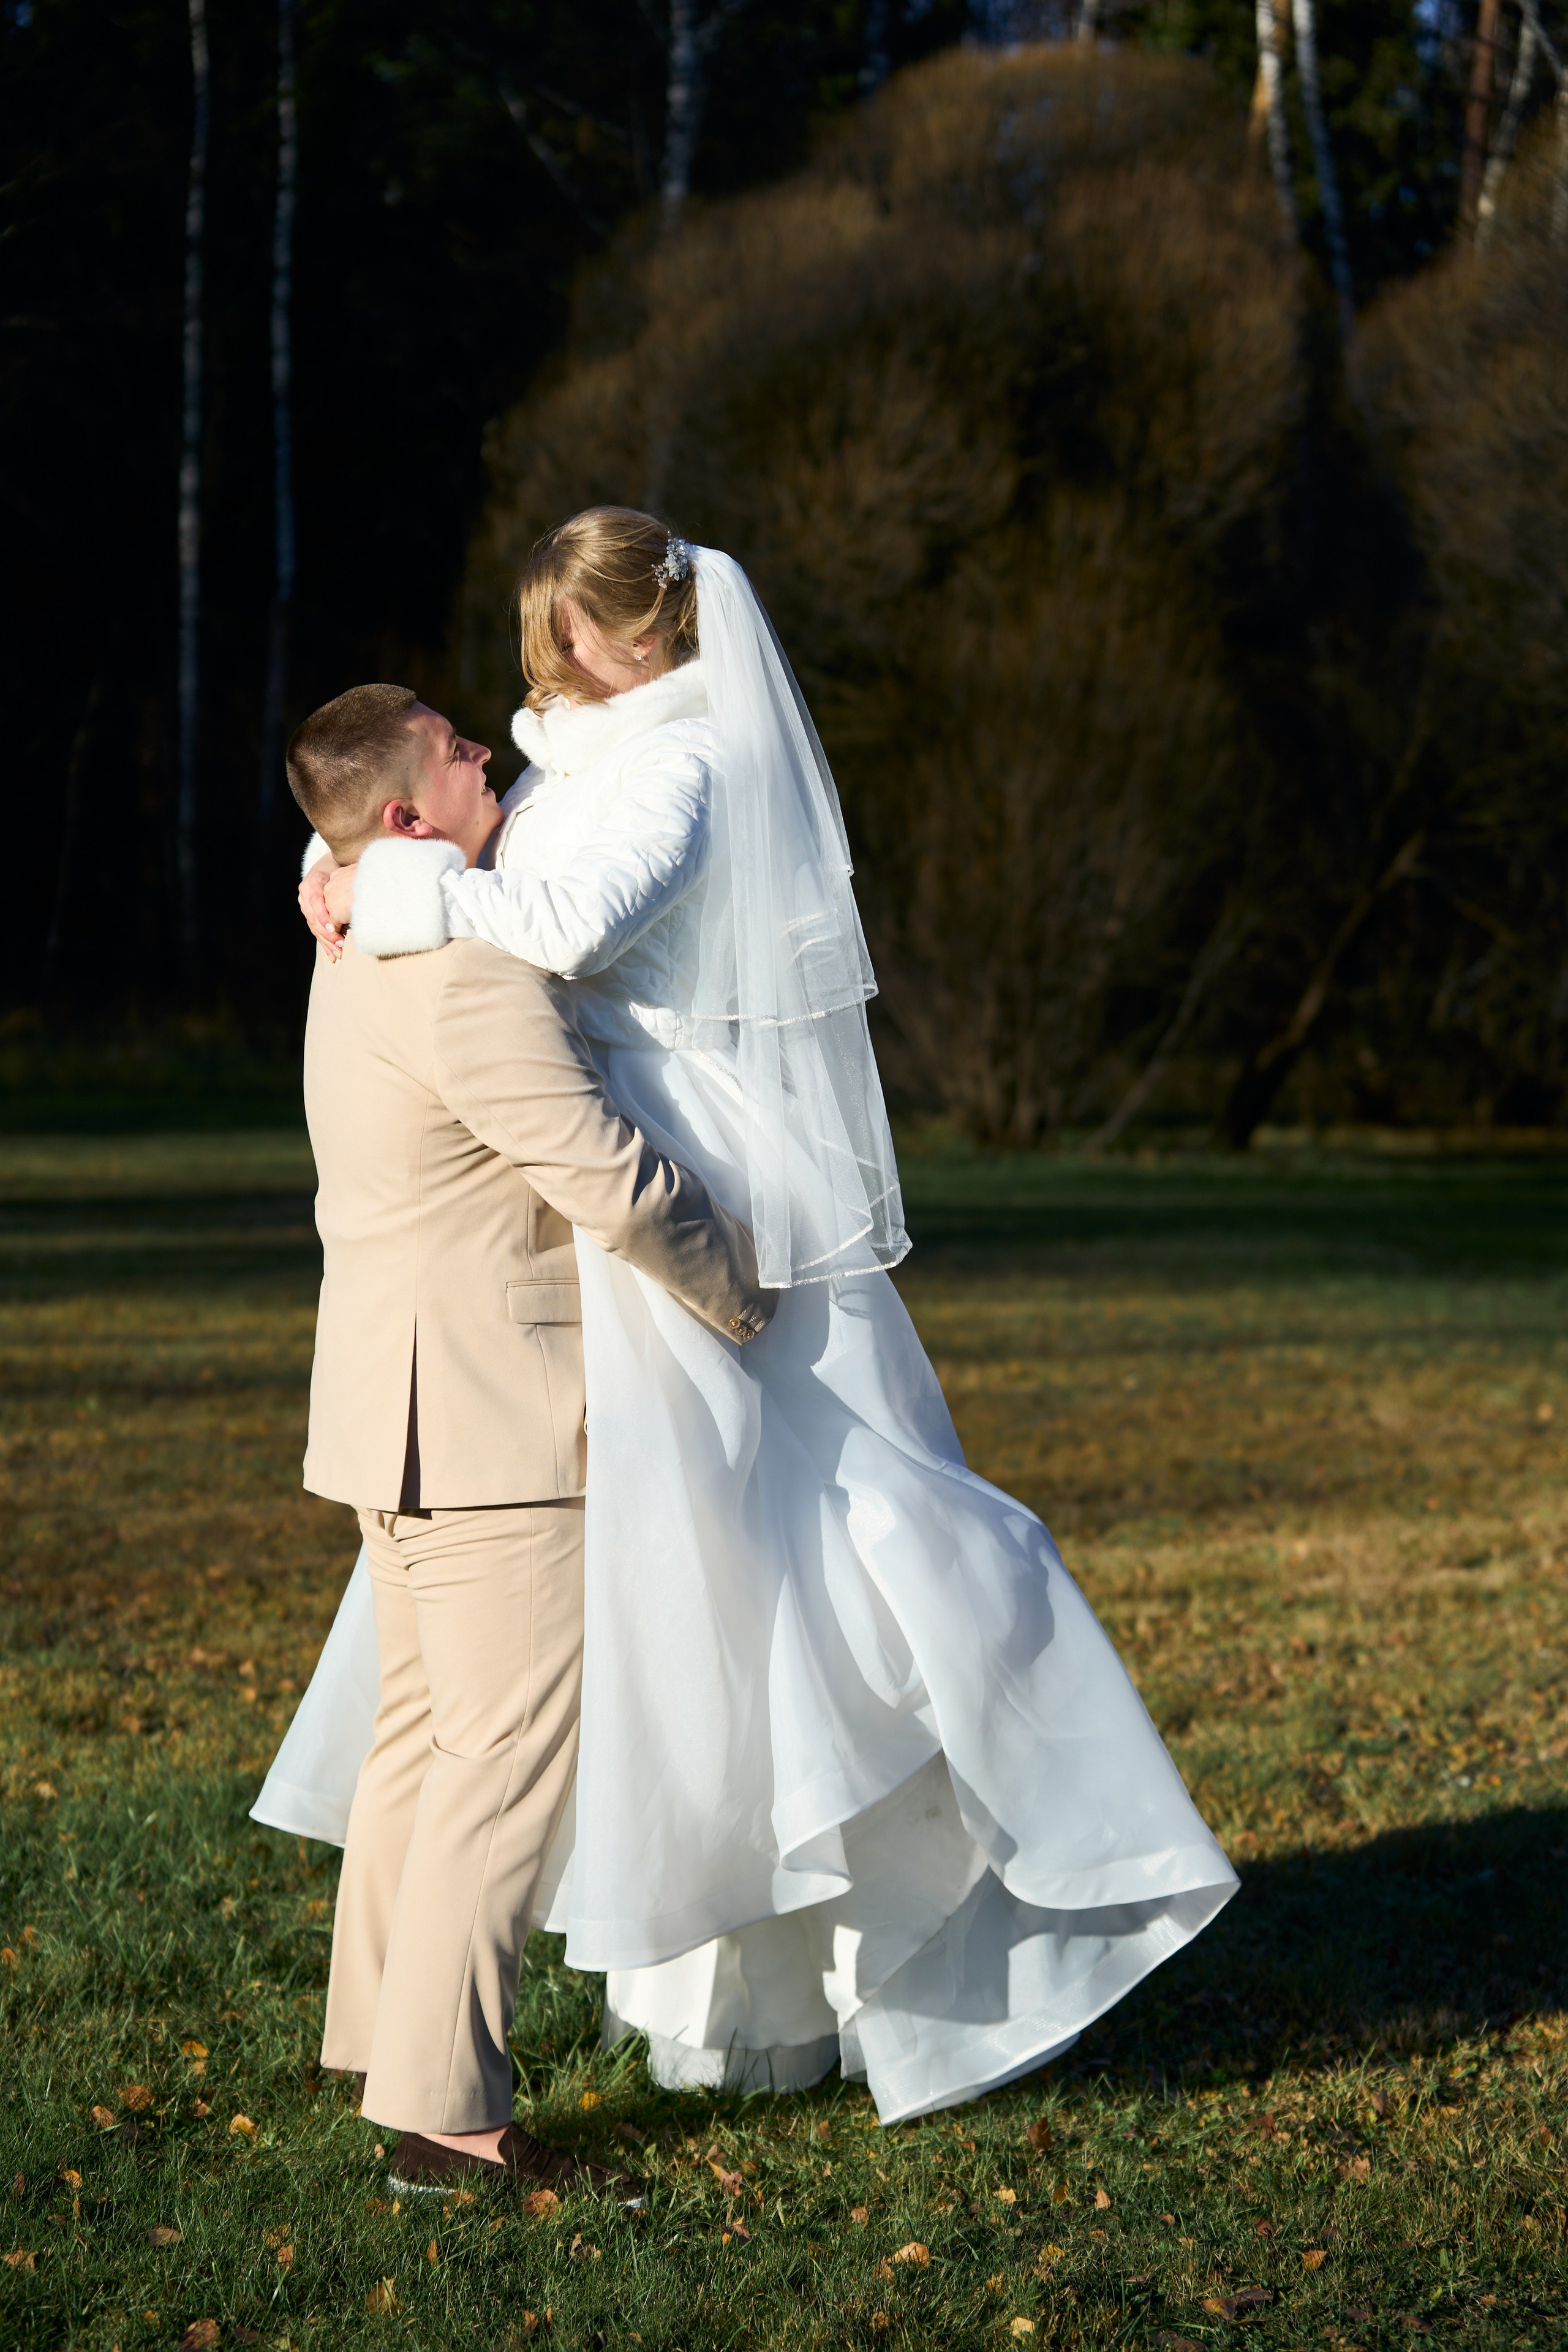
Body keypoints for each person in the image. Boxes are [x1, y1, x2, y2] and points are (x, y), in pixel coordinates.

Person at [258, 511, 1237, 2126]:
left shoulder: (681, 767)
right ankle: (433, 2088)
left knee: (770, 1581)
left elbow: (558, 920)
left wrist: (374, 875)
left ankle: (469, 2040)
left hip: (631, 1211)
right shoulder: (545, 781)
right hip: (571, 1269)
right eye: (535, 648)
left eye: (570, 633)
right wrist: (346, 862)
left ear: (645, 632)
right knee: (545, 1689)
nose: (525, 684)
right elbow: (439, 842)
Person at [281, 677, 773, 2193]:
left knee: (424, 1740)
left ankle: (385, 2047)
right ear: (406, 814)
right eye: (454, 749)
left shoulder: (349, 935)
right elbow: (600, 1171)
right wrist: (746, 1286)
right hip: (490, 1420)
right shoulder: (462, 969)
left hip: (388, 1408)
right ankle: (449, 2123)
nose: (485, 746)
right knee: (500, 1763)